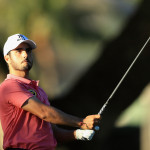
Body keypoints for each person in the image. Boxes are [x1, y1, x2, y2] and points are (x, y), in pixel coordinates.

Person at [0, 34, 100, 150]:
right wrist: (82, 122)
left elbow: (53, 132)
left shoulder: (39, 90)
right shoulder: (9, 86)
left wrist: (78, 133)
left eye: (28, 50)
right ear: (7, 58)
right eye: (18, 50)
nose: (25, 54)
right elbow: (45, 113)